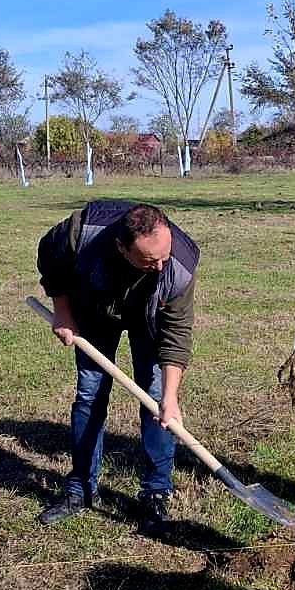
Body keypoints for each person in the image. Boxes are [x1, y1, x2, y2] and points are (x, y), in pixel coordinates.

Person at [36, 200, 199, 537]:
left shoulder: (178, 263)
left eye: (163, 256)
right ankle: (80, 488)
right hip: (95, 307)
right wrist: (63, 311)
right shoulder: (81, 233)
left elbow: (177, 333)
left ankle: (156, 491)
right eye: (150, 259)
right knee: (90, 394)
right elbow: (50, 257)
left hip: (150, 318)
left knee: (156, 399)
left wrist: (171, 397)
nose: (160, 264)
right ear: (122, 248)